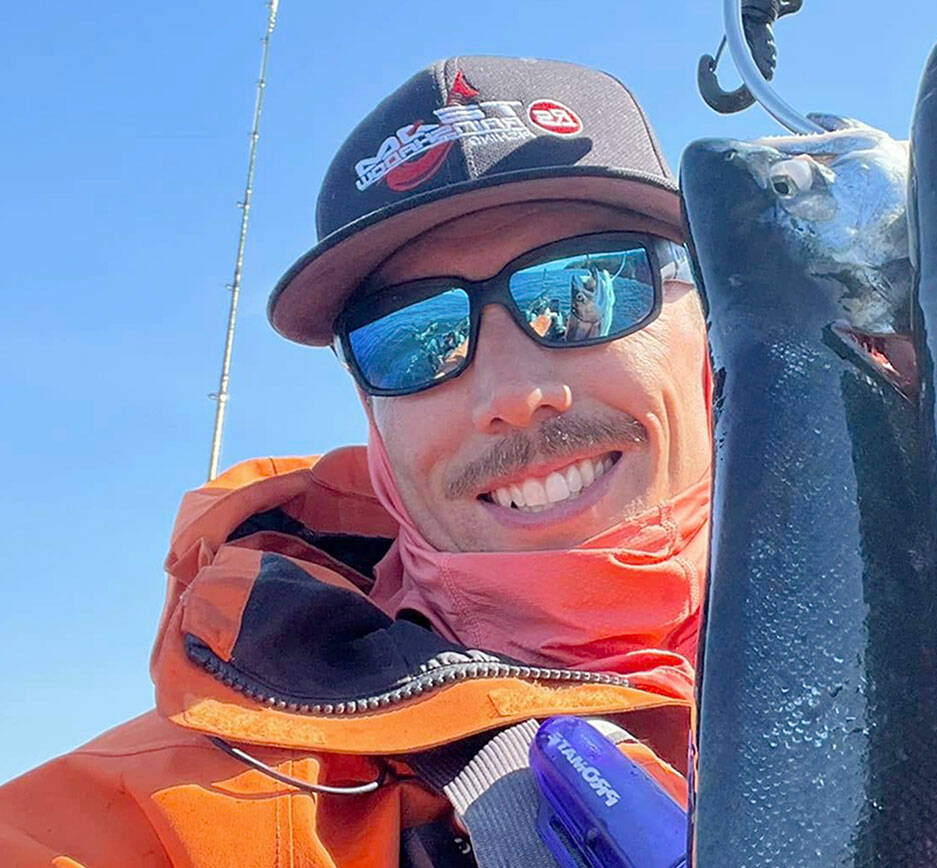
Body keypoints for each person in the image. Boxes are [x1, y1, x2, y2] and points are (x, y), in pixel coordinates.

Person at [0, 56, 710, 866]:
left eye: (587, 286)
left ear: (710, 326)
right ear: (371, 414)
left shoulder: (893, 613)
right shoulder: (156, 822)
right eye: (415, 338)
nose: (513, 393)